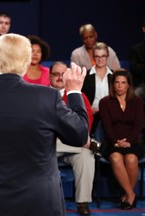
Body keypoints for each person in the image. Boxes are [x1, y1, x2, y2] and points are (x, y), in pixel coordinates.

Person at [0, 33, 89, 216]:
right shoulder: (48, 98)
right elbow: (79, 136)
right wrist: (75, 92)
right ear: (27, 61)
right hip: (39, 203)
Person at [49, 61, 94, 215]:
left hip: (70, 143)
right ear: (49, 76)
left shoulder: (79, 96)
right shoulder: (40, 95)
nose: (60, 77)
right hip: (49, 144)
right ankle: (90, 144)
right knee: (85, 145)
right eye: (56, 74)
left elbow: (85, 123)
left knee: (86, 155)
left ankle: (82, 202)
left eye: (63, 74)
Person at [99, 69, 144, 210]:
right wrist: (116, 142)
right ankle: (131, 195)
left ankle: (126, 196)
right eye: (117, 82)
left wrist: (129, 141)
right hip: (112, 142)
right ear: (113, 85)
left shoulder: (136, 101)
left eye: (123, 83)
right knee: (116, 158)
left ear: (128, 85)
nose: (119, 86)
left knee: (131, 159)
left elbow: (139, 124)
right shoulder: (105, 102)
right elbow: (106, 126)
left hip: (133, 142)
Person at [82, 42, 114, 141]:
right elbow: (81, 97)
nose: (100, 59)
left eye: (103, 56)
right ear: (93, 57)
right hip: (91, 114)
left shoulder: (114, 76)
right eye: (97, 56)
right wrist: (89, 110)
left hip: (111, 114)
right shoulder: (85, 76)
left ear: (107, 56)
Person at [129, 18, 145, 101]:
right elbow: (135, 68)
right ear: (144, 29)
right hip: (142, 84)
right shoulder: (135, 50)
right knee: (136, 94)